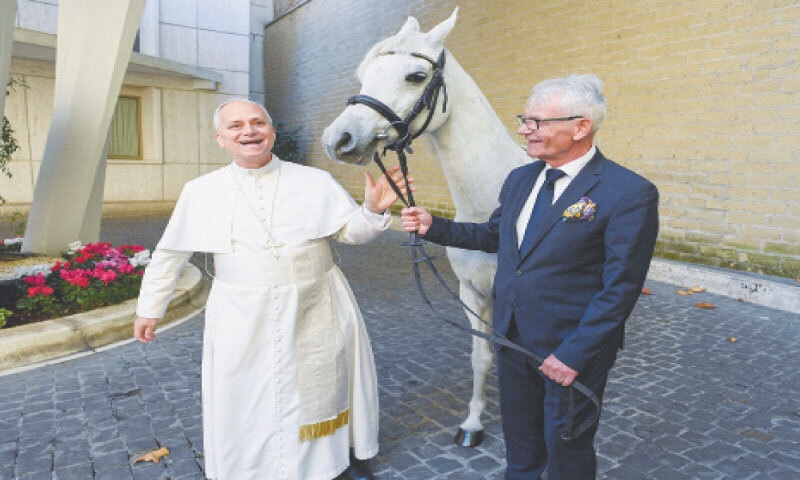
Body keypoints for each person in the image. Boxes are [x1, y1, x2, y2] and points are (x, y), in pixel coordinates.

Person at [134, 99, 409, 480]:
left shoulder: (313, 181)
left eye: (257, 122)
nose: (248, 131)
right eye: (236, 126)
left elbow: (351, 233)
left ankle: (327, 465)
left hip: (316, 301)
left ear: (272, 132)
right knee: (246, 394)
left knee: (318, 387)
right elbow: (170, 254)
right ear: (221, 139)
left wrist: (373, 211)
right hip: (240, 311)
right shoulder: (201, 191)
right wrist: (150, 308)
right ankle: (250, 469)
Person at [401, 74, 659, 479]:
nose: (524, 129)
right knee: (521, 449)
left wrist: (574, 355)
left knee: (566, 452)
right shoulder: (521, 179)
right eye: (525, 119)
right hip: (511, 337)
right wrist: (434, 226)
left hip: (569, 351)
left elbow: (620, 288)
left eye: (537, 122)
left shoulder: (628, 192)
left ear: (580, 126)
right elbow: (492, 236)